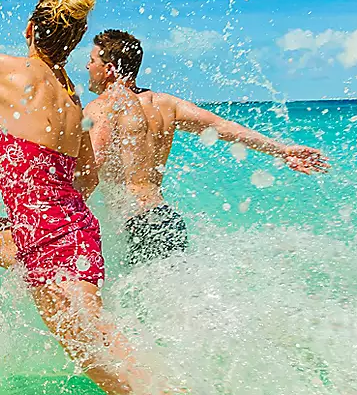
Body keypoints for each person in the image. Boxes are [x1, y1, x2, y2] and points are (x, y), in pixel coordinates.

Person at [0, 0, 164, 395]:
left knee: (101, 355)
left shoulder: (7, 71)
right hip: (68, 230)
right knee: (99, 352)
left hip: (45, 235)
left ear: (30, 29)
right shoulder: (72, 100)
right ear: (76, 40)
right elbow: (86, 178)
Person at [84, 29, 330, 267]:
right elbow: (222, 127)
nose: (87, 67)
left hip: (135, 223)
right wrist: (281, 150)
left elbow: (95, 161)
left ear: (109, 69)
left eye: (91, 60)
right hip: (166, 218)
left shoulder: (103, 106)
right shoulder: (166, 104)